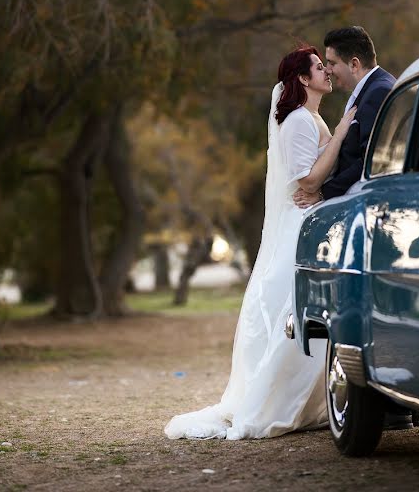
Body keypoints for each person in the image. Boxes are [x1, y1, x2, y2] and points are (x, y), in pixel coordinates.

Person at [163, 45, 357, 440]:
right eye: (320, 68)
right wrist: (338, 136)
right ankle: (274, 402)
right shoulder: (300, 120)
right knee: (293, 306)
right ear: (303, 79)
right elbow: (306, 182)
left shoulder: (311, 117)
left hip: (307, 219)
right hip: (299, 225)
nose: (327, 73)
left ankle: (311, 400)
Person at [293, 26, 396, 208]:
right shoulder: (371, 89)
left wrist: (324, 193)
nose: (329, 70)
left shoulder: (379, 92)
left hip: (366, 206)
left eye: (332, 63)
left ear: (354, 64)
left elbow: (371, 160)